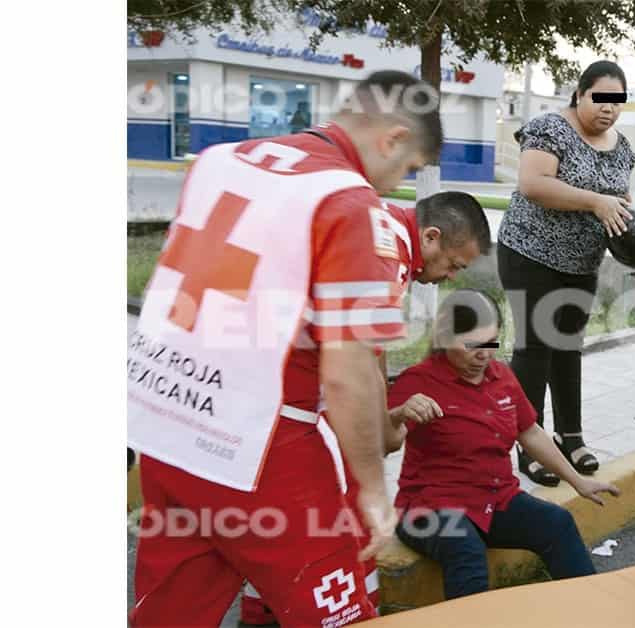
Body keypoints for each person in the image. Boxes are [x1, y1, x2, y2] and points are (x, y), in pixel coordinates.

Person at [129, 70, 442, 627]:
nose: (396, 185)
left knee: (172, 613)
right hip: (258, 447)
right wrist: (373, 490)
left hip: (166, 425)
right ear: (393, 138)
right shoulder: (351, 204)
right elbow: (347, 374)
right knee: (338, 614)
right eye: (408, 168)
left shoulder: (218, 159)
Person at [238, 190, 491, 625]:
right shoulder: (387, 254)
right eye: (453, 265)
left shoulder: (384, 227)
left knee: (280, 522)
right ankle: (355, 612)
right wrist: (382, 431)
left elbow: (373, 347)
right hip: (289, 403)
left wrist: (384, 403)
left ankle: (260, 610)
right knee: (353, 515)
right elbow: (356, 366)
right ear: (431, 237)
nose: (448, 277)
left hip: (260, 391)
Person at [385, 289, 621, 600]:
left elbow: (531, 432)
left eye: (490, 343)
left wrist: (578, 481)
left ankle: (592, 612)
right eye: (471, 345)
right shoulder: (418, 382)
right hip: (430, 506)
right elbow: (384, 444)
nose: (483, 354)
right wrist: (397, 415)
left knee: (557, 523)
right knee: (466, 551)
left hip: (494, 498)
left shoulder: (501, 375)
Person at [496, 60, 635, 486]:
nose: (608, 109)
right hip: (530, 252)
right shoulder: (549, 129)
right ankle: (530, 444)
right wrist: (596, 202)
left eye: (618, 101)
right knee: (536, 347)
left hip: (582, 262)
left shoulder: (622, 145)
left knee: (568, 347)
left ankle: (570, 437)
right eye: (600, 98)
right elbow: (533, 183)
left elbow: (620, 195)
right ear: (579, 95)